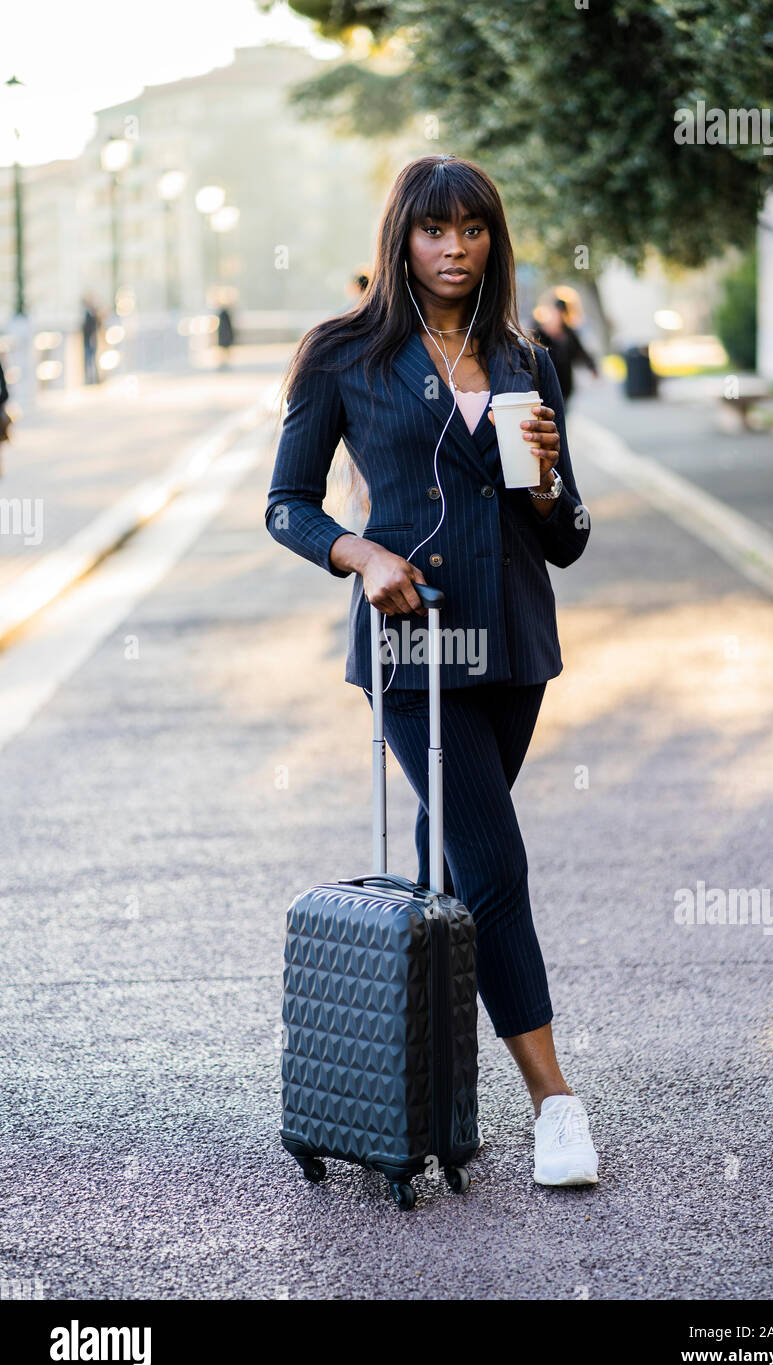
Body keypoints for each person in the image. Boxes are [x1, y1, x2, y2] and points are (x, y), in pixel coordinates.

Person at [265, 153, 598, 1187]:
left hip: (514, 644)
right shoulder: (343, 354)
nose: (454, 250)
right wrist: (359, 554)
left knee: (445, 861)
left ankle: (406, 1079)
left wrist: (545, 482)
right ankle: (556, 1105)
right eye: (433, 231)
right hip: (412, 652)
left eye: (473, 231)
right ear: (400, 238)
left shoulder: (521, 357)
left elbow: (569, 536)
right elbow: (287, 503)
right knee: (491, 864)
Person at [530, 296, 598, 405]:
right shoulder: (541, 332)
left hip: (565, 383)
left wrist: (592, 367)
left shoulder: (569, 333)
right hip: (547, 382)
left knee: (563, 412)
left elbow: (580, 351)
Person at [81, 296, 101, 386]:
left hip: (90, 340)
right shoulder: (86, 313)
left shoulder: (92, 314)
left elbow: (94, 327)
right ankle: (90, 379)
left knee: (92, 360)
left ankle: (94, 379)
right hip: (87, 341)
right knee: (89, 361)